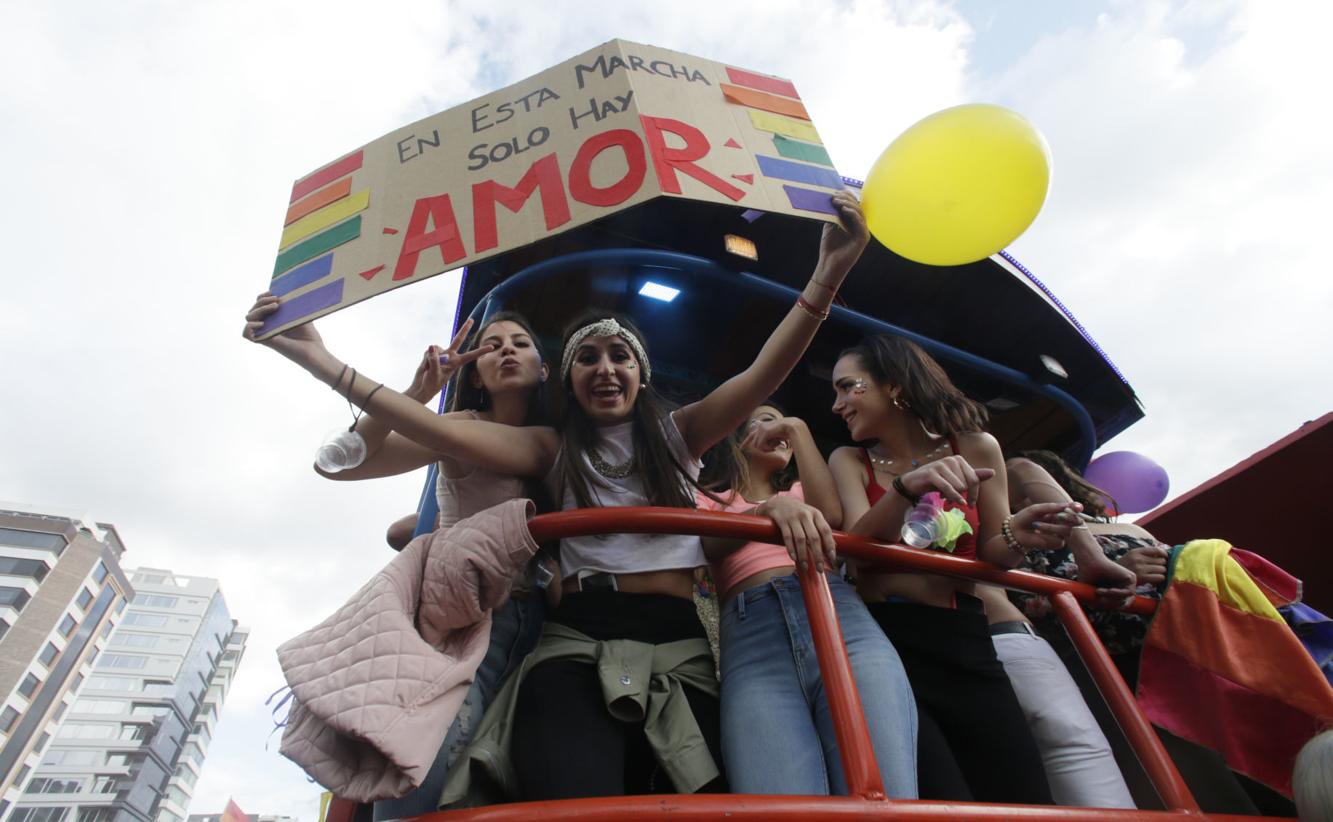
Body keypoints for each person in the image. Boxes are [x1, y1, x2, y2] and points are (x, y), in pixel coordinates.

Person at [244, 190, 871, 803]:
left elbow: (764, 370)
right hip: (569, 638)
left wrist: (828, 273)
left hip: (678, 643)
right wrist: (316, 359)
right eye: (588, 358)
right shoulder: (547, 447)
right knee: (556, 795)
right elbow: (429, 430)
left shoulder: (682, 434)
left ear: (641, 373)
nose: (605, 368)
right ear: (567, 381)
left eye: (620, 355)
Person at [827, 334, 1080, 804]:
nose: (838, 404)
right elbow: (858, 554)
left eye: (848, 387)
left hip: (966, 637)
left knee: (1021, 794)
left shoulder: (978, 447)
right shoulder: (849, 459)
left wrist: (1017, 537)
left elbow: (992, 553)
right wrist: (906, 488)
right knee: (941, 798)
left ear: (895, 386)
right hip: (887, 648)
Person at [695, 402, 917, 797]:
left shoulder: (799, 491)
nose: (777, 427)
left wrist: (797, 427)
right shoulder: (710, 497)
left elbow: (830, 514)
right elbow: (711, 542)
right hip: (753, 634)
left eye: (782, 420)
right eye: (764, 420)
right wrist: (767, 509)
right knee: (777, 797)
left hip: (839, 614)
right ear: (736, 440)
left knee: (883, 791)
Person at [1005, 450, 1165, 687]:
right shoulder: (1024, 549)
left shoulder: (1133, 531)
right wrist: (1104, 583)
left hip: (1183, 644)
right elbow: (1043, 627)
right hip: (1123, 674)